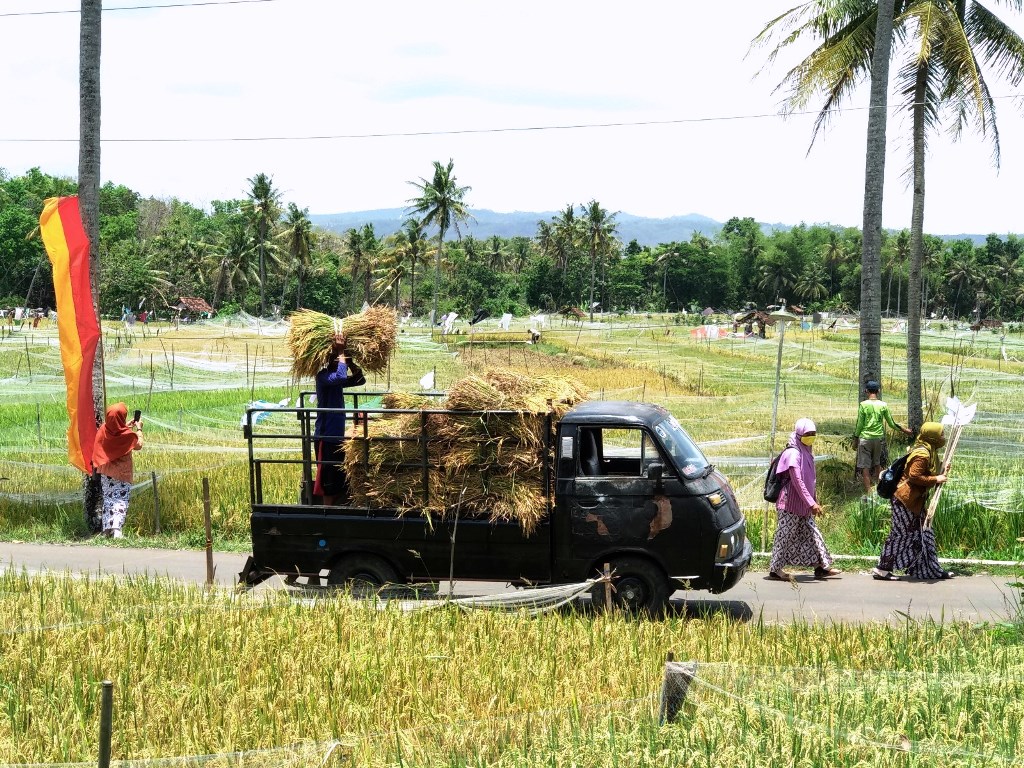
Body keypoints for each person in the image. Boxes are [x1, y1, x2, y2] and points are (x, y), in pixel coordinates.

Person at [872, 422, 954, 581]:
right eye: (941, 434)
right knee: (901, 536)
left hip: (914, 502)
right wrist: (936, 478)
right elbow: (914, 476)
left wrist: (942, 470)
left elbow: (926, 472)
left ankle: (929, 570)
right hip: (905, 502)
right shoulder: (922, 454)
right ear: (932, 436)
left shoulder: (929, 451)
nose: (943, 438)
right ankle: (882, 569)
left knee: (922, 534)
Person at [768, 418, 842, 581]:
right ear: (799, 434)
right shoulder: (793, 453)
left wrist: (813, 501)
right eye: (808, 434)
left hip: (804, 506)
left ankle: (821, 567)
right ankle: (775, 570)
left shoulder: (806, 452)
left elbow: (811, 481)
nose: (811, 437)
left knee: (813, 534)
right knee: (785, 536)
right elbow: (798, 482)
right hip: (790, 504)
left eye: (813, 434)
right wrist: (812, 503)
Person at [313, 339, 365, 505]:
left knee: (338, 477)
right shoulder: (324, 377)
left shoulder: (337, 380)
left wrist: (351, 363)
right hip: (325, 437)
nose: (339, 361)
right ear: (329, 360)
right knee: (328, 480)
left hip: (337, 437)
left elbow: (359, 380)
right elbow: (341, 375)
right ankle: (326, 512)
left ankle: (336, 508)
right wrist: (341, 351)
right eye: (337, 359)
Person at [92, 402, 143, 538]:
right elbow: (138, 445)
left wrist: (125, 425)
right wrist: (139, 429)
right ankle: (117, 530)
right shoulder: (126, 435)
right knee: (120, 500)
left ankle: (106, 530)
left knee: (108, 499)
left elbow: (115, 432)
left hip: (105, 472)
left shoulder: (104, 429)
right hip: (121, 474)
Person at [854, 380, 913, 497]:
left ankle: (868, 491)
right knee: (877, 464)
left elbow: (859, 424)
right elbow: (891, 423)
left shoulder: (863, 405)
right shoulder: (883, 405)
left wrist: (855, 437)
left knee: (865, 466)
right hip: (878, 439)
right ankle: (881, 488)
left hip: (865, 438)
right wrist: (905, 430)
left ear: (866, 391)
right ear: (878, 391)